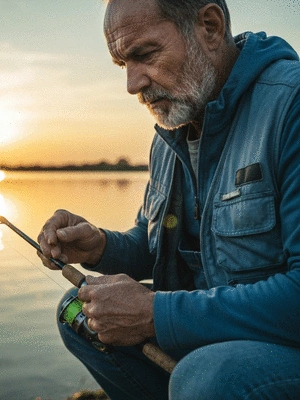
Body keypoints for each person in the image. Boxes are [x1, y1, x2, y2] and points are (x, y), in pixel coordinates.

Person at [38, 0, 300, 398]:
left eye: (144, 55)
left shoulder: (291, 104)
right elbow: (157, 241)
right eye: (122, 64)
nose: (132, 84)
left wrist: (156, 314)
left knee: (211, 377)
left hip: (276, 351)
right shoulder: (171, 129)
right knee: (78, 311)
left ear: (210, 27)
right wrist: (100, 247)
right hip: (209, 340)